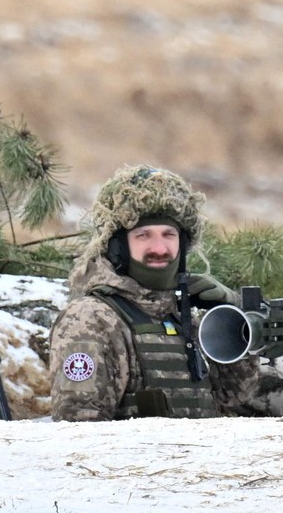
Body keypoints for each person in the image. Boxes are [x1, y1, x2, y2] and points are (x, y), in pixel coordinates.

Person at [49, 164, 256, 421]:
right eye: (143, 235)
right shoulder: (91, 320)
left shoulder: (182, 317)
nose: (159, 248)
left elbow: (234, 397)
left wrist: (233, 319)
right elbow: (78, 427)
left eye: (169, 234)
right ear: (118, 245)